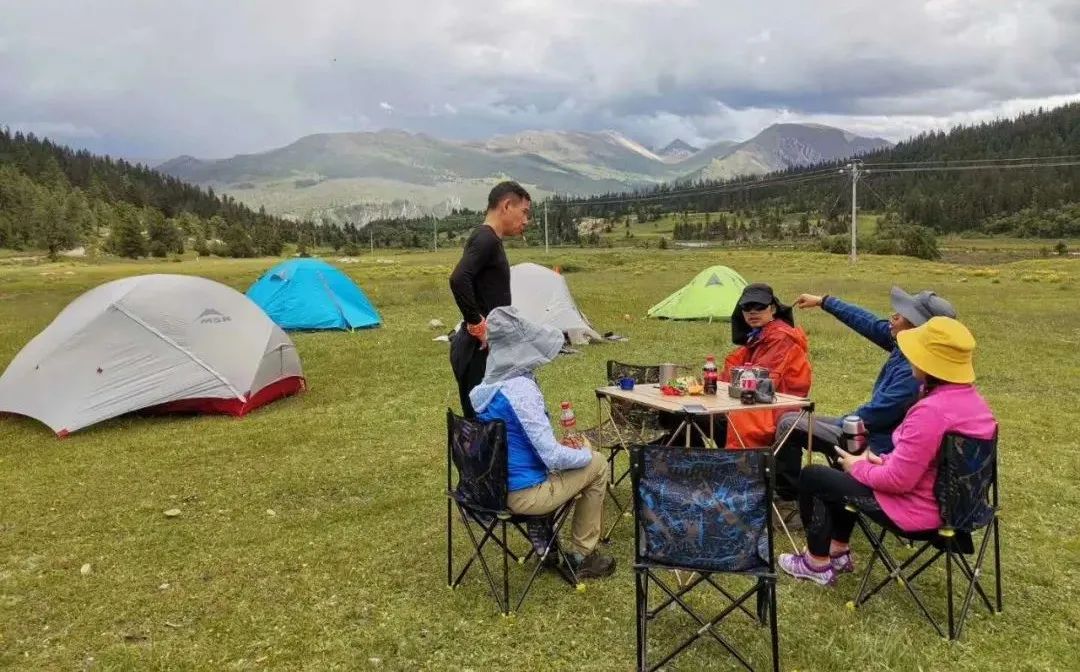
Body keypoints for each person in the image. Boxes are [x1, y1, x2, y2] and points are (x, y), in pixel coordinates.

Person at [778, 317, 996, 586]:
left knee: (815, 476)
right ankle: (837, 550)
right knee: (843, 476)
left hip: (919, 512)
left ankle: (816, 563)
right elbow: (933, 463)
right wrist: (881, 461)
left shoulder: (930, 411)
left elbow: (898, 481)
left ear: (927, 362)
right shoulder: (976, 406)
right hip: (961, 510)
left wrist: (858, 466)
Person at [469, 306, 617, 580]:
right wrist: (585, 454)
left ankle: (543, 530)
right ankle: (583, 555)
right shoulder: (520, 391)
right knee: (597, 464)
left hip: (490, 489)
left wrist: (564, 449)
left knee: (571, 455)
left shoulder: (486, 388)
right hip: (524, 495)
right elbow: (551, 456)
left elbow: (517, 442)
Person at [772, 287, 957, 501]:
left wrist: (844, 423)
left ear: (917, 327)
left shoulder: (913, 371)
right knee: (791, 418)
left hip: (880, 445)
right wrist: (824, 301)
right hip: (874, 431)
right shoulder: (910, 346)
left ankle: (788, 496)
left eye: (900, 316)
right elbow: (868, 323)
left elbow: (878, 414)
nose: (892, 317)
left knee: (789, 424)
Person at [449, 181, 531, 418]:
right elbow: (458, 278)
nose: (526, 220)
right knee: (481, 423)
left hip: (484, 348)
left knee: (490, 420)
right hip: (477, 350)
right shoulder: (486, 239)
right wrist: (477, 324)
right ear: (506, 206)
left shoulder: (488, 239)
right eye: (524, 212)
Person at [721, 283, 812, 450]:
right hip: (759, 404)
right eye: (747, 307)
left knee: (713, 418)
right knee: (687, 415)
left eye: (760, 306)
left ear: (773, 309)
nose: (753, 312)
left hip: (775, 409)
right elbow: (731, 373)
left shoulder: (780, 337)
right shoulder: (758, 335)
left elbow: (757, 382)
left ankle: (735, 463)